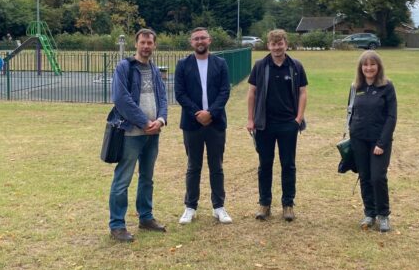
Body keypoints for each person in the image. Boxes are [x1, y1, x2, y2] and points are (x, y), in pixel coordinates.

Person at [107, 28, 169, 242]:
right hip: (131, 134)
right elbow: (121, 99)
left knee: (147, 178)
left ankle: (146, 217)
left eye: (149, 43)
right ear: (136, 44)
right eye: (142, 42)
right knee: (122, 179)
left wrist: (160, 120)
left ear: (154, 45)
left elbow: (163, 97)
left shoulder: (154, 69)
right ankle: (117, 225)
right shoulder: (125, 67)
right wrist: (144, 122)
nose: (146, 46)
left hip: (153, 133)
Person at [246, 29, 308, 222]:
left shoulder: (295, 66)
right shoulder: (260, 65)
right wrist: (250, 119)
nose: (277, 47)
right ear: (268, 46)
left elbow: (303, 93)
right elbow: (252, 93)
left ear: (286, 44)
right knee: (265, 164)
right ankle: (264, 204)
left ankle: (288, 205)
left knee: (288, 165)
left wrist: (298, 119)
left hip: (288, 124)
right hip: (264, 124)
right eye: (273, 44)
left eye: (280, 43)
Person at [174, 27, 232, 225]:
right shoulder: (183, 65)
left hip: (216, 123)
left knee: (216, 166)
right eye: (196, 39)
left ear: (209, 40)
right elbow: (180, 93)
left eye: (203, 38)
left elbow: (225, 91)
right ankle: (190, 207)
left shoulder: (220, 63)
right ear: (191, 42)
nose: (200, 41)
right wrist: (198, 113)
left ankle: (219, 207)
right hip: (192, 123)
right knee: (193, 166)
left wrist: (211, 113)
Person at [348, 50, 397, 232]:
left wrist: (382, 143)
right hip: (358, 139)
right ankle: (370, 213)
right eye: (365, 65)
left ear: (379, 66)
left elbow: (391, 117)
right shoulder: (356, 87)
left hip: (379, 141)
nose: (369, 68)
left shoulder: (387, 86)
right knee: (365, 177)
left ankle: (383, 215)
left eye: (372, 64)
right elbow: (350, 111)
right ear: (360, 68)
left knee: (377, 177)